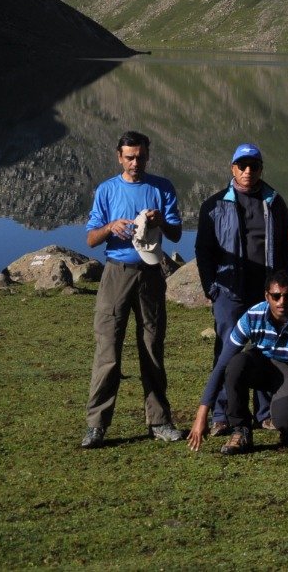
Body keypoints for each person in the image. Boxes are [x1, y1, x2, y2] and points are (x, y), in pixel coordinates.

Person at [81, 130, 185, 449]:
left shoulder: (161, 187)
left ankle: (159, 421)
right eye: (129, 157)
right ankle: (97, 425)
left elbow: (177, 234)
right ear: (119, 156)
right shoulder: (107, 190)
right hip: (116, 271)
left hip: (151, 272)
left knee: (152, 347)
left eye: (140, 156)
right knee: (108, 349)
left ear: (147, 156)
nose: (135, 162)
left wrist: (159, 222)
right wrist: (110, 227)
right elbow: (90, 239)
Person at [194, 142, 288, 433]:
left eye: (254, 166)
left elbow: (285, 248)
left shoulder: (275, 202)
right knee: (228, 349)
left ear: (261, 169)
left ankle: (265, 412)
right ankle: (223, 415)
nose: (248, 171)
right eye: (242, 166)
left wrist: (283, 286)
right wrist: (211, 288)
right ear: (232, 168)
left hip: (265, 290)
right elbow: (204, 249)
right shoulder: (214, 205)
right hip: (229, 291)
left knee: (267, 348)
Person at [186, 270, 288, 458]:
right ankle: (241, 430)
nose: (282, 302)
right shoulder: (252, 317)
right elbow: (221, 364)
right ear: (267, 296)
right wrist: (202, 414)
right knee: (235, 364)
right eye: (276, 296)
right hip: (264, 364)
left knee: (284, 419)